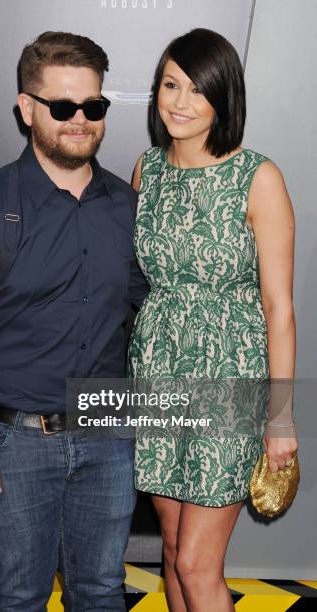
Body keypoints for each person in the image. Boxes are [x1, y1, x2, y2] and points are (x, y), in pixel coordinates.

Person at [0, 31, 148, 611]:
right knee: (19, 595)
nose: (80, 120)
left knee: (102, 591)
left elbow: (155, 308)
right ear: (27, 109)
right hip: (14, 445)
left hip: (109, 437)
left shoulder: (128, 209)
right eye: (62, 106)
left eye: (93, 106)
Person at [127, 28, 298, 612]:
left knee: (199, 564)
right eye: (170, 85)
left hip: (229, 381)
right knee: (172, 550)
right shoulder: (145, 172)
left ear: (223, 100)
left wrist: (280, 417)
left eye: (198, 90)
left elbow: (279, 307)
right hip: (157, 372)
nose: (179, 102)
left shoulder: (258, 177)